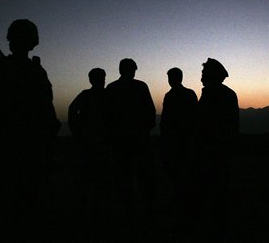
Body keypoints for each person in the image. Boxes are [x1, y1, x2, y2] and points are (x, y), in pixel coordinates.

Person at [0, 19, 61, 241]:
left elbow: (47, 109)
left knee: (24, 204)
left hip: (28, 150)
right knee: (4, 207)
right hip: (2, 150)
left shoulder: (33, 71)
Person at [105, 58, 157, 233]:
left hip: (122, 142)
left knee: (125, 179)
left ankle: (130, 214)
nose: (133, 72)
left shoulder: (112, 88)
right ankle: (144, 214)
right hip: (137, 141)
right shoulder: (140, 87)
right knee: (142, 179)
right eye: (133, 69)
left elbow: (108, 117)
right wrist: (145, 131)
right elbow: (150, 112)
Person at [192, 58, 239, 241]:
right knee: (218, 191)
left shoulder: (213, 94)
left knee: (211, 190)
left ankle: (215, 228)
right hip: (219, 151)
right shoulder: (226, 94)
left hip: (211, 152)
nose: (201, 76)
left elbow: (206, 124)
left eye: (204, 73)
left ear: (212, 75)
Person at [67, 68, 112, 239]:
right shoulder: (90, 95)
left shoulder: (104, 95)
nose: (102, 80)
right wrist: (77, 132)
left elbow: (72, 111)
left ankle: (94, 211)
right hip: (91, 143)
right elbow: (72, 111)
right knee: (91, 178)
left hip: (101, 143)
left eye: (102, 77)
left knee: (99, 179)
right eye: (99, 77)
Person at [159, 67, 198, 229]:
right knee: (181, 170)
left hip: (179, 140)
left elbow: (167, 119)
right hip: (182, 139)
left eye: (171, 77)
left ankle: (182, 200)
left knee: (178, 170)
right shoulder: (188, 94)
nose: (170, 80)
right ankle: (184, 199)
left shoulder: (172, 96)